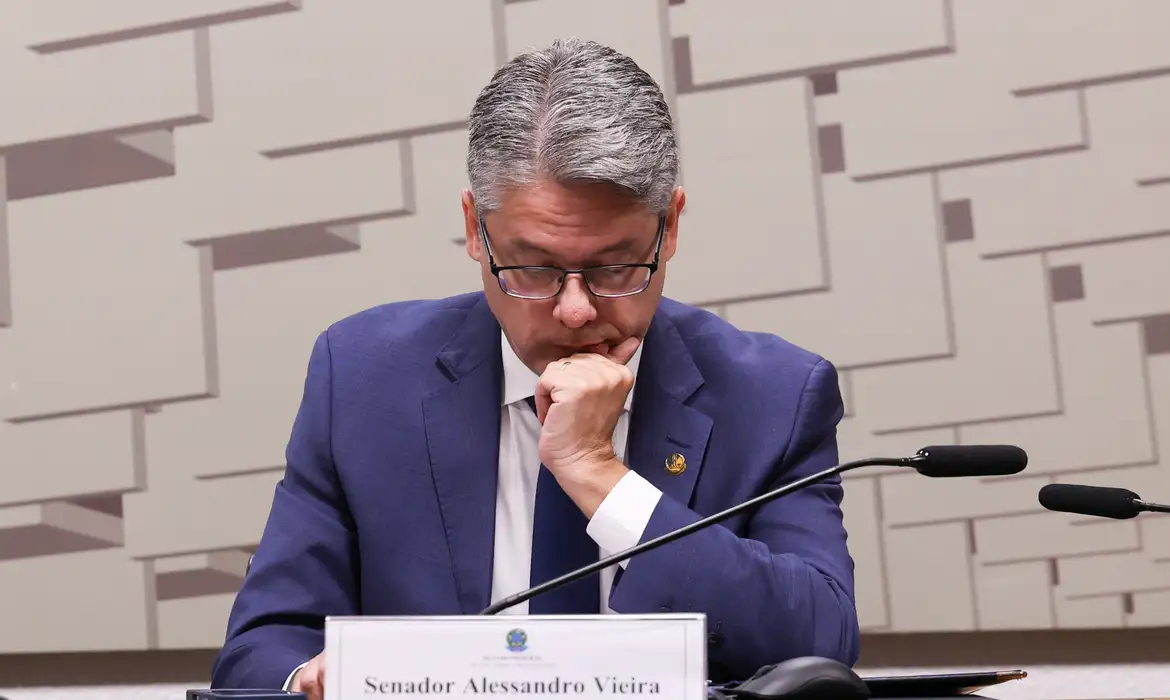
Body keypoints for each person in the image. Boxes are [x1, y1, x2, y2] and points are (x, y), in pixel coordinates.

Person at [210, 37, 859, 697]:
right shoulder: (363, 377)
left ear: (669, 228)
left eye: (615, 266)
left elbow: (819, 644)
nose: (576, 310)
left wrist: (599, 476)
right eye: (535, 268)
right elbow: (263, 644)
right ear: (475, 228)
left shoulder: (773, 395)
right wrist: (306, 680)